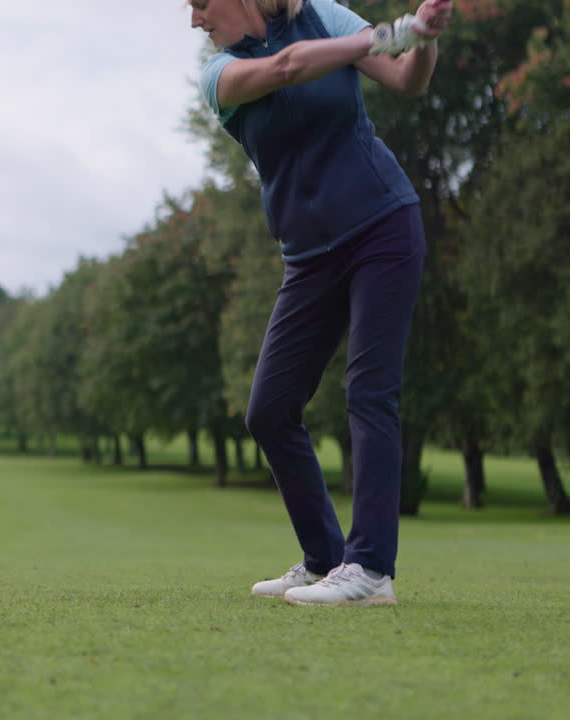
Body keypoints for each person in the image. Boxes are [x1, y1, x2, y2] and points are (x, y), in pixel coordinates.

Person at [189, 0, 454, 606]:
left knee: (369, 391)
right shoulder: (219, 73)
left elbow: (408, 78)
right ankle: (325, 559)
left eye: (201, 3)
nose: (195, 19)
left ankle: (369, 571)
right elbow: (287, 68)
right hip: (308, 257)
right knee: (269, 411)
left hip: (383, 226)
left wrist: (425, 38)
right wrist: (393, 34)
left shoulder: (325, 14)